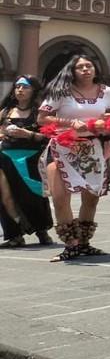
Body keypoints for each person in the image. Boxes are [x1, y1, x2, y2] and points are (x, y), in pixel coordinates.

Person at [38, 55, 110, 262]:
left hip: (93, 146)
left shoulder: (106, 92)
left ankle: (84, 243)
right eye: (80, 67)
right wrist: (69, 123)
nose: (86, 69)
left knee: (91, 198)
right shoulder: (60, 91)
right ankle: (71, 245)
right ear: (72, 71)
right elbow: (41, 118)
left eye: (89, 66)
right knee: (60, 198)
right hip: (63, 147)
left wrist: (108, 123)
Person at [0, 76, 53, 248]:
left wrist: (28, 134)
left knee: (32, 196)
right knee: (5, 196)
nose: (20, 90)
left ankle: (41, 230)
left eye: (24, 87)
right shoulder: (6, 111)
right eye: (17, 86)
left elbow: (49, 137)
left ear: (33, 90)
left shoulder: (40, 113)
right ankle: (14, 235)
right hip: (6, 157)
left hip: (31, 158)